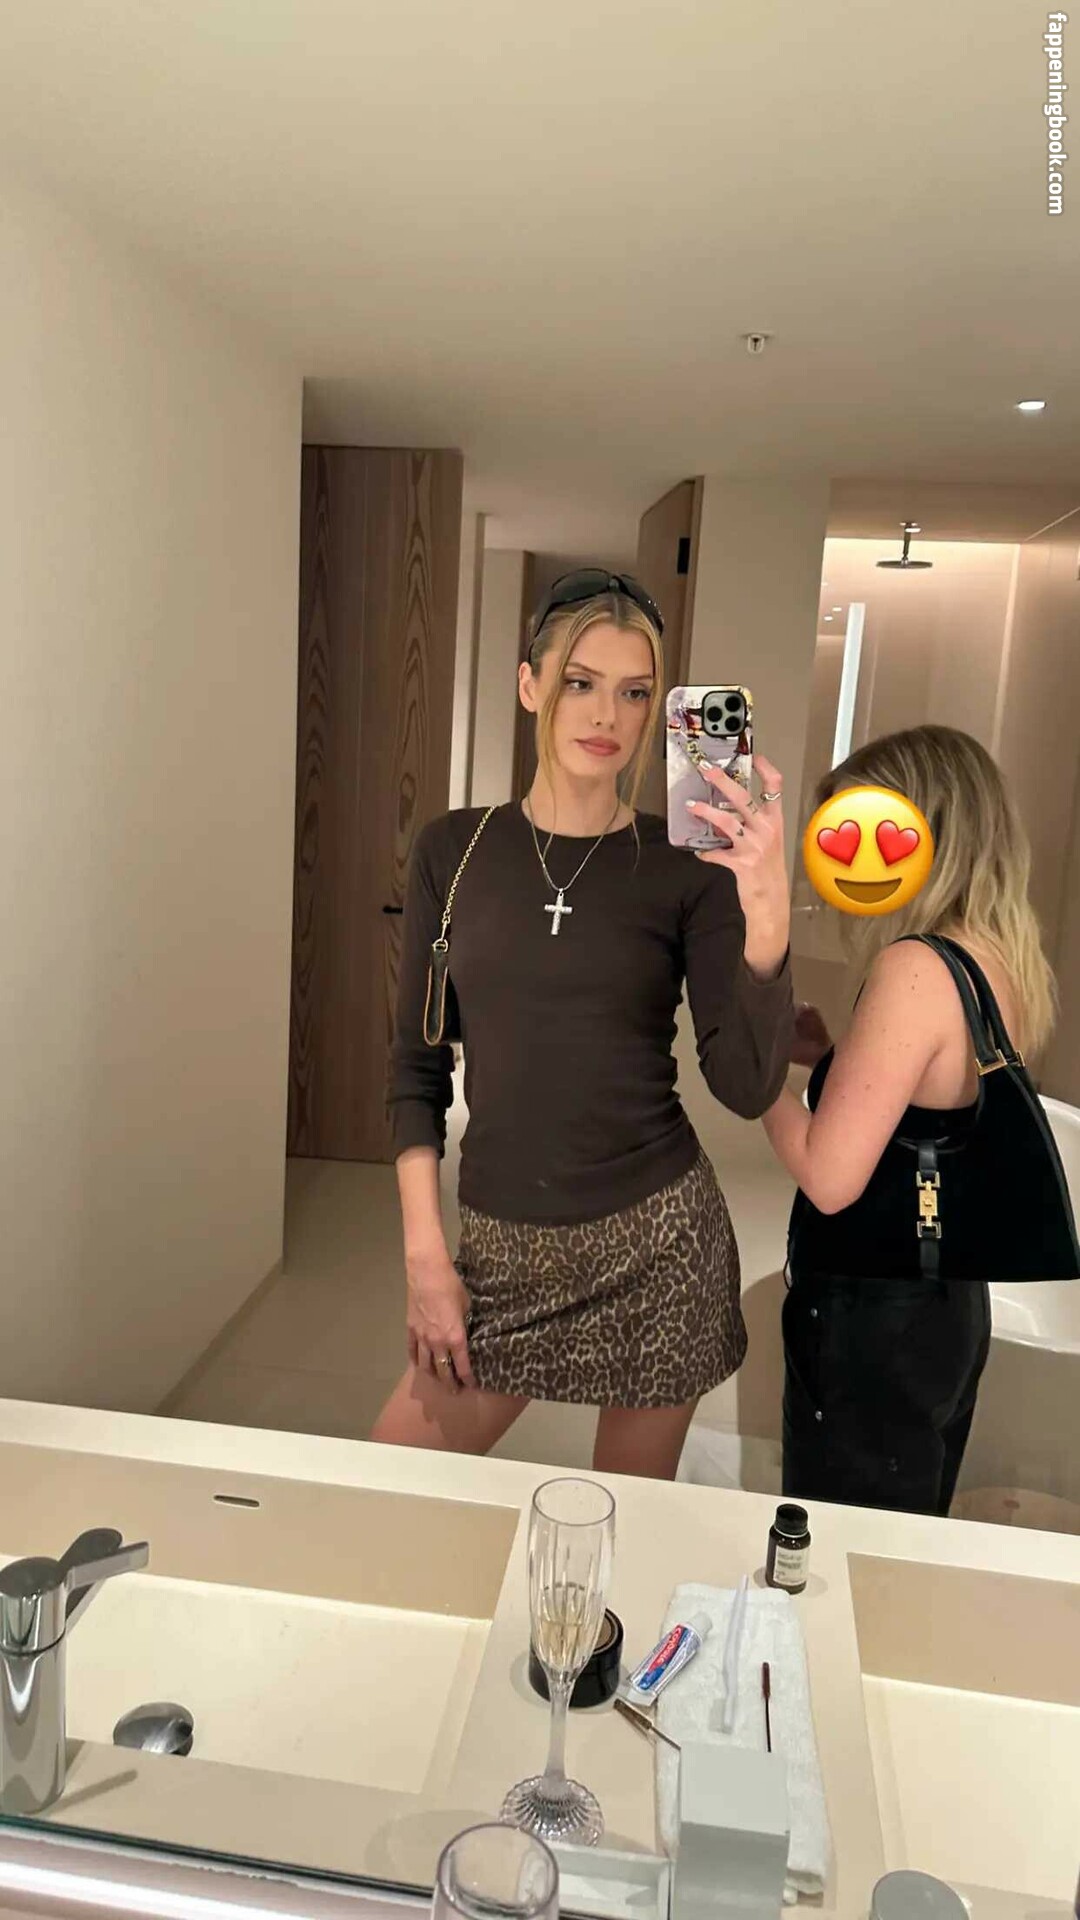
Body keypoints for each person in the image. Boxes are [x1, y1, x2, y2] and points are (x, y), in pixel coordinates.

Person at [371, 568, 794, 1480]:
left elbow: (744, 1083)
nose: (607, 714)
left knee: (620, 1526)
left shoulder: (685, 870)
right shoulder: (454, 849)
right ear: (530, 686)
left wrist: (765, 910)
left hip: (658, 1245)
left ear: (657, 713)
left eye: (635, 692)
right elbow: (415, 1065)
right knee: (392, 1480)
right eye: (580, 682)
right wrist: (424, 1256)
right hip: (501, 1244)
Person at [762, 724, 1058, 1515]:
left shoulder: (913, 969)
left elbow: (830, 1178)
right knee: (898, 1528)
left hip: (875, 1317)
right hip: (946, 1302)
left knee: (837, 1540)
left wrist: (753, 1083)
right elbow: (934, 1103)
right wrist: (831, 1057)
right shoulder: (994, 957)